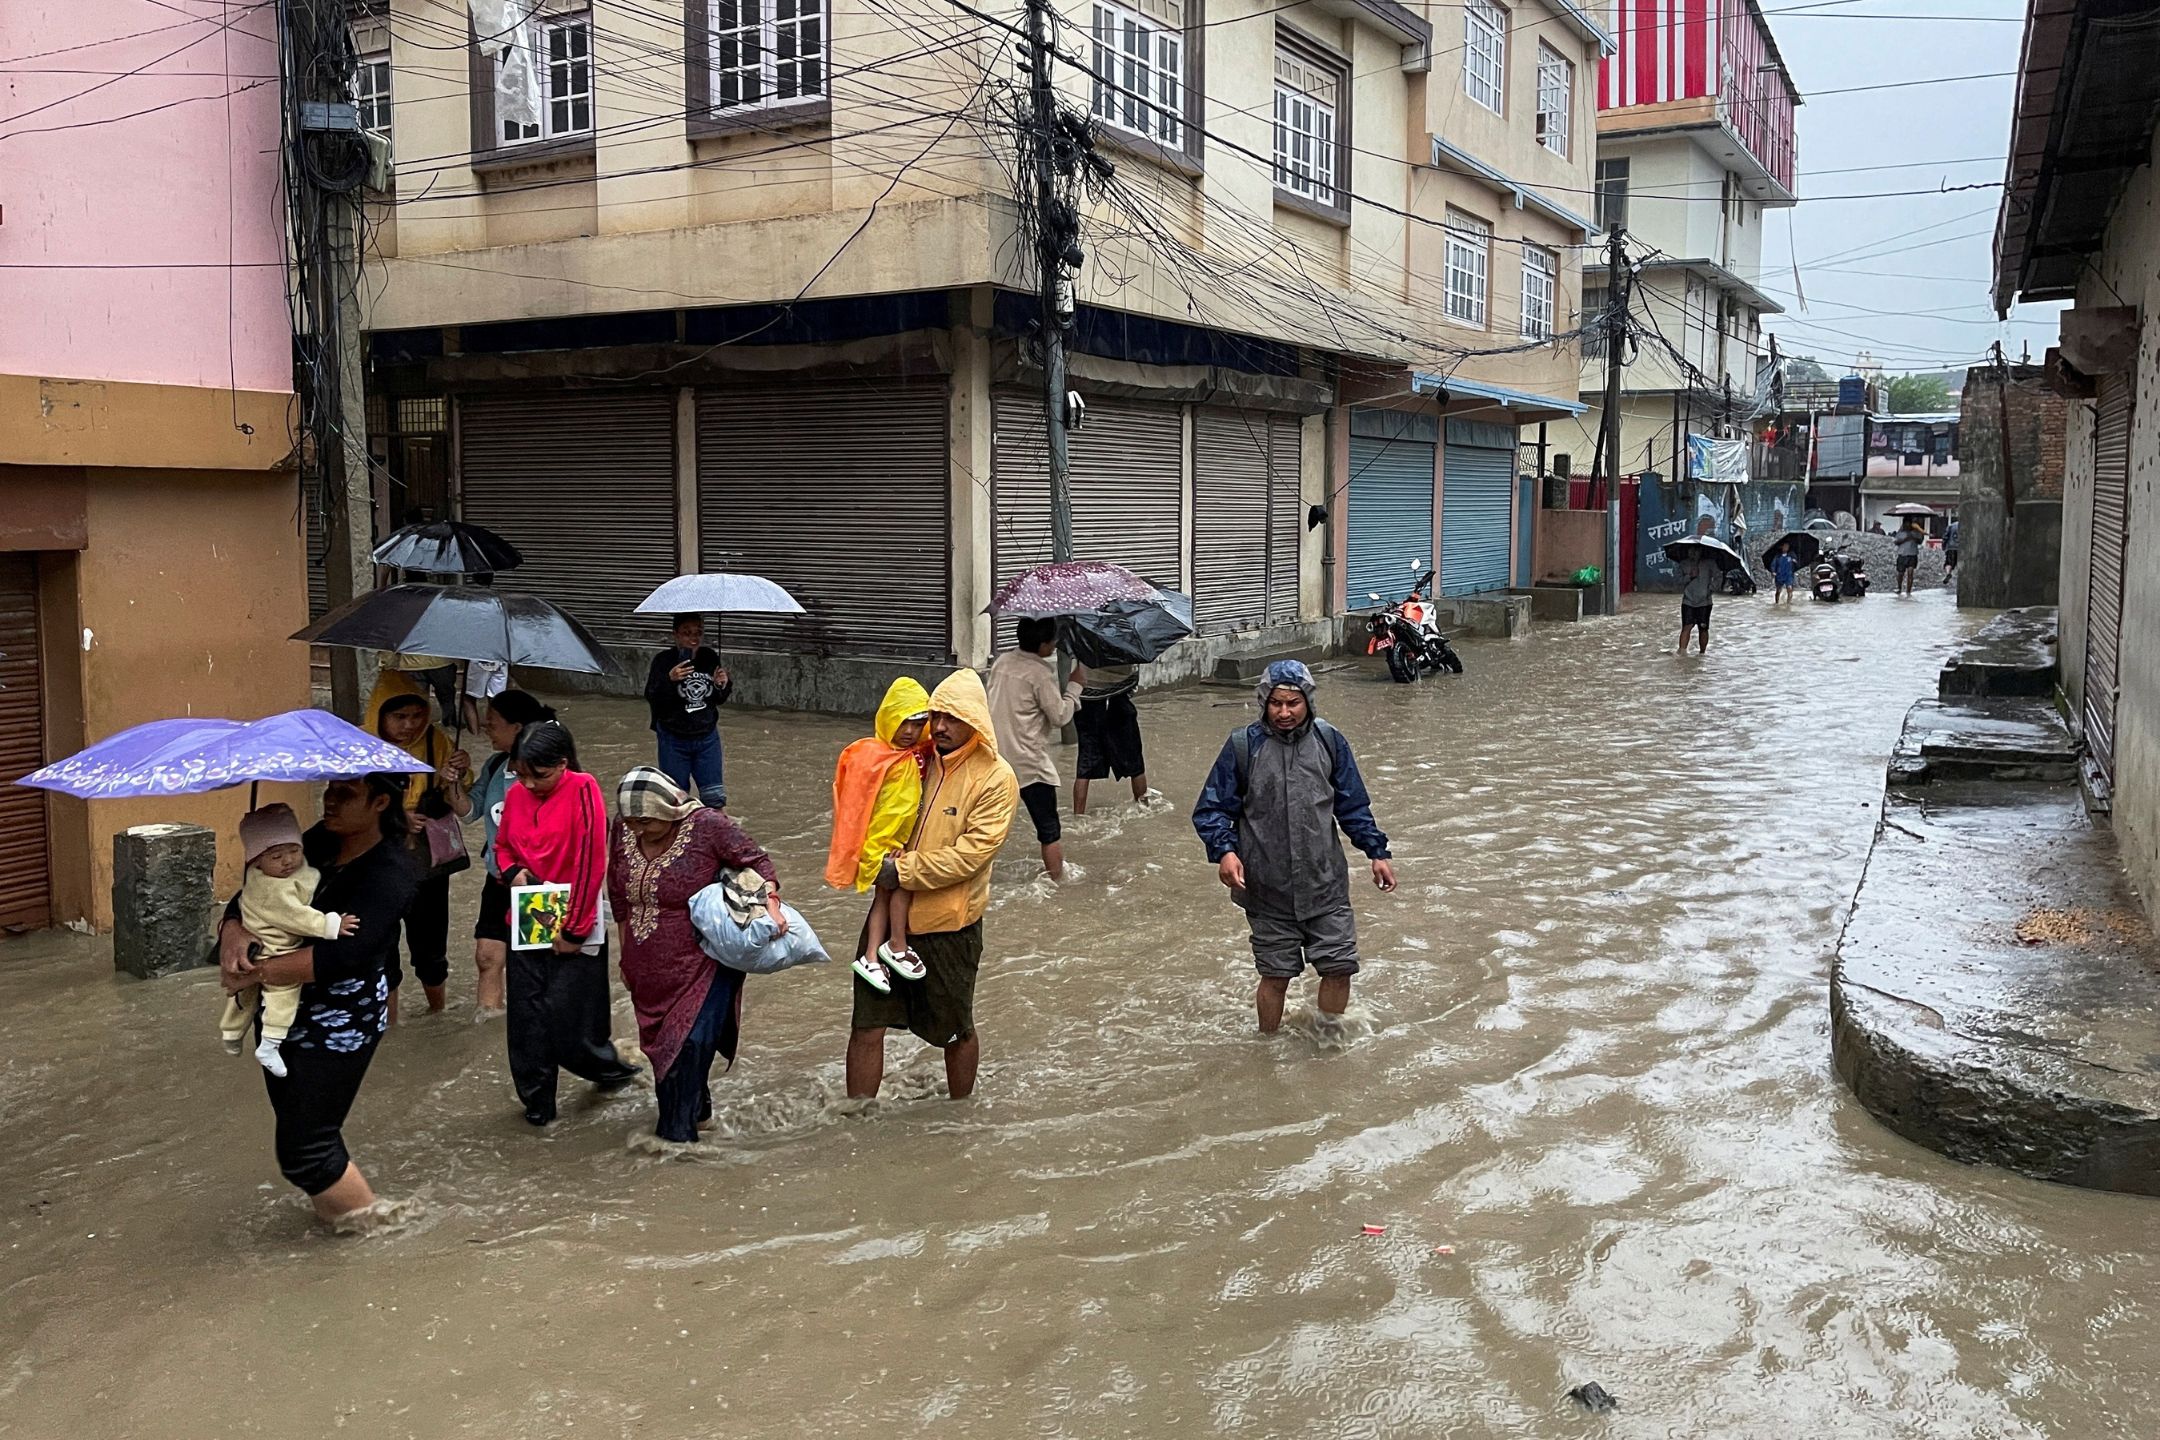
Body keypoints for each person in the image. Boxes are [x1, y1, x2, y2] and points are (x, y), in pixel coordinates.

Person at [216, 774, 420, 1225]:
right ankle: (339, 1228)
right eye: (330, 788)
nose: (330, 798)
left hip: (341, 1023)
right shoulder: (318, 841)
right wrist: (231, 930)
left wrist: (256, 973)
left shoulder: (392, 872)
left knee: (305, 1149)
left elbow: (347, 955)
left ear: (380, 802)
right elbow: (253, 894)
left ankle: (383, 1229)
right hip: (283, 1013)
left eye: (346, 793)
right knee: (302, 1126)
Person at [1191, 660, 1395, 1034]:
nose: (1284, 712)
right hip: (1266, 886)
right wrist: (1225, 852)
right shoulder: (1242, 746)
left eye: (1293, 703)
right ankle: (1266, 1046)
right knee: (1275, 974)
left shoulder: (1329, 741)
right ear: (1264, 703)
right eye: (1276, 703)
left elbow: (1352, 805)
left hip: (1325, 884)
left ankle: (1329, 1041)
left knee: (1338, 966)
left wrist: (1376, 852)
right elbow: (1213, 809)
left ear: (1308, 702)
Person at [846, 668, 1017, 1102]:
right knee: (866, 1025)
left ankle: (961, 1117)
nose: (938, 726)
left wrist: (900, 872)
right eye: (935, 715)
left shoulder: (996, 779)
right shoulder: (912, 759)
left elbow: (973, 855)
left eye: (952, 717)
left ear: (975, 720)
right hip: (885, 927)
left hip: (949, 925)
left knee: (956, 1029)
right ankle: (855, 1121)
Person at [609, 768, 782, 1144]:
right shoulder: (622, 831)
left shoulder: (707, 825)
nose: (637, 830)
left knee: (686, 1046)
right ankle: (698, 1115)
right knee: (661, 1052)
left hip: (704, 961)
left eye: (646, 822)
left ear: (669, 810)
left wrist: (772, 906)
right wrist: (625, 956)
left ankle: (675, 1141)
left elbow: (758, 862)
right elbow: (618, 895)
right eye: (631, 822)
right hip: (648, 967)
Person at [491, 719, 640, 1126]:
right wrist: (512, 871)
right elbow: (502, 847)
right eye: (521, 774)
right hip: (526, 916)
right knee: (526, 1019)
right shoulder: (519, 795)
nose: (530, 784)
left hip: (576, 920)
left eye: (539, 775)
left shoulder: (583, 788)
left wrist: (574, 930)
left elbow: (592, 861)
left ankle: (610, 1070)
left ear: (562, 763)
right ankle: (538, 1106)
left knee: (569, 1020)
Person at [218, 804, 359, 1077]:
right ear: (256, 860)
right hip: (273, 951)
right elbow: (298, 917)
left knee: (244, 996)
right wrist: (332, 924)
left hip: (256, 945)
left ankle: (231, 1034)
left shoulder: (265, 875)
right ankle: (270, 1044)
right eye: (277, 856)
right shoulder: (272, 889)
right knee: (283, 994)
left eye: (294, 851)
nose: (288, 861)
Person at [366, 673, 472, 1016]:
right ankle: (390, 1021)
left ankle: (436, 1014)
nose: (410, 725)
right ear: (379, 715)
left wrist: (458, 771)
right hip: (377, 863)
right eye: (400, 717)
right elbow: (346, 808)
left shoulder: (436, 742)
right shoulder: (360, 749)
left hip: (426, 864)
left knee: (430, 943)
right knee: (382, 945)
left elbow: (456, 796)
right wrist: (398, 820)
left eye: (416, 716)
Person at [824, 677, 933, 995]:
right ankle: (893, 947)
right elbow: (858, 807)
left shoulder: (915, 754)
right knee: (896, 891)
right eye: (904, 723)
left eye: (918, 723)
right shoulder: (873, 757)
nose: (910, 731)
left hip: (895, 844)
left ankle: (872, 955)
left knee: (883, 899)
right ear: (888, 719)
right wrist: (881, 848)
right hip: (881, 845)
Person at [466, 689, 556, 1019]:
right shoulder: (494, 766)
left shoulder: (550, 770)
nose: (487, 730)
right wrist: (452, 781)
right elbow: (469, 811)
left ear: (517, 728)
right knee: (487, 955)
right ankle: (487, 1020)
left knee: (535, 964)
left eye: (492, 724)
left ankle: (535, 1026)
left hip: (535, 883)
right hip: (498, 878)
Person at [987, 617, 1084, 880]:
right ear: (1042, 645)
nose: (1055, 645)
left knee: (984, 830)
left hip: (993, 760)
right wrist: (1075, 687)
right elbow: (1060, 717)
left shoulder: (1002, 662)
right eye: (1053, 640)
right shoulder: (1040, 674)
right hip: (1030, 764)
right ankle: (1058, 883)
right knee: (1049, 831)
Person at [645, 613, 732, 809]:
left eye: (698, 633)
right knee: (676, 801)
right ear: (675, 634)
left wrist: (722, 684)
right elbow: (652, 696)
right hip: (673, 739)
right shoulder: (663, 661)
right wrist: (670, 679)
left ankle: (714, 836)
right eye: (687, 633)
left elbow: (719, 699)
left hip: (707, 738)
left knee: (714, 798)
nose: (694, 638)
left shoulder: (709, 657)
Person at [1073, 662, 1149, 814]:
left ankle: (1078, 816)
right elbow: (1133, 678)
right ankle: (1145, 809)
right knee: (1135, 762)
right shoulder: (1125, 642)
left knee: (1085, 762)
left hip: (1088, 699)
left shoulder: (1085, 639)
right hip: (1118, 698)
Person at [1677, 518, 1721, 655]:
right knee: (1687, 626)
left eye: (1696, 550)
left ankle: (1702, 653)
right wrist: (1690, 576)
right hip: (1688, 600)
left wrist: (1711, 589)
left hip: (1705, 601)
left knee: (1703, 628)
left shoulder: (1709, 563)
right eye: (1691, 550)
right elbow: (1678, 582)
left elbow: (1718, 577)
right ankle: (1682, 652)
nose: (1693, 553)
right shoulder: (1684, 564)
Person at [1895, 521, 1924, 595]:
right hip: (1902, 554)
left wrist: (1914, 537)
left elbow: (1920, 541)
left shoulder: (1916, 533)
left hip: (1912, 554)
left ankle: (1908, 591)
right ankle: (1899, 587)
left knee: (1910, 573)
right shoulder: (1900, 533)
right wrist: (1905, 539)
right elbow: (1896, 542)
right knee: (1900, 573)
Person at [1770, 542, 1798, 607]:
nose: (1786, 548)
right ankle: (1776, 603)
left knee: (1789, 588)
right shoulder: (1777, 557)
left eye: (1787, 546)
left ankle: (1788, 604)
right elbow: (1773, 565)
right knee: (1778, 591)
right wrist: (1773, 571)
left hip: (1789, 575)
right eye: (1785, 546)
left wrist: (1795, 562)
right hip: (1779, 575)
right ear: (1781, 547)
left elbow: (1796, 565)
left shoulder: (1791, 555)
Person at [1943, 517, 1961, 581]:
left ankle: (1948, 573)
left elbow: (1945, 536)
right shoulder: (1967, 526)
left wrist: (1943, 545)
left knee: (1949, 563)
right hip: (1961, 548)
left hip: (1951, 547)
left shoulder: (1951, 526)